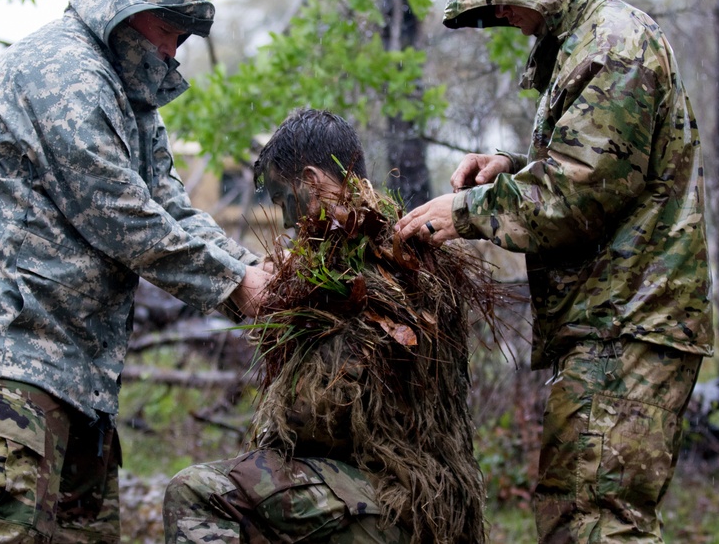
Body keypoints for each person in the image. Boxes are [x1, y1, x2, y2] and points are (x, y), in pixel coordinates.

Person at [0, 0, 270, 543]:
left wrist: (258, 271)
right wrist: (237, 287)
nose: (170, 50)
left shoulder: (132, 99)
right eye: (165, 31)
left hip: (74, 367)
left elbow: (172, 208)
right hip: (7, 351)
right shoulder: (64, 73)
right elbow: (119, 212)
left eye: (182, 40)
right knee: (1, 533)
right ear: (124, 11)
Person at [395, 0, 714, 543]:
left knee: (598, 521)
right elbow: (596, 168)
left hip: (632, 319)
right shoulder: (590, 46)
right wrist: (510, 168)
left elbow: (578, 193)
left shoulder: (615, 46)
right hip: (612, 319)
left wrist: (467, 211)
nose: (504, 16)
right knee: (578, 514)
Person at [163, 108, 496, 543]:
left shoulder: (376, 270)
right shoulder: (389, 252)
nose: (283, 220)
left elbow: (326, 415)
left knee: (197, 492)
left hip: (401, 504)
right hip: (387, 494)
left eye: (283, 199)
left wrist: (286, 321)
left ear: (311, 180)